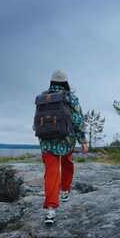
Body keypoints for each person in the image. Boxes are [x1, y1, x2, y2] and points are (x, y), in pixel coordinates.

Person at [35, 70, 88, 226]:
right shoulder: (71, 98)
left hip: (46, 140)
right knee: (67, 162)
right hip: (66, 139)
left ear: (51, 82)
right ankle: (65, 190)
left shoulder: (43, 97)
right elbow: (78, 120)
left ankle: (50, 210)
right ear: (65, 82)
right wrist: (83, 140)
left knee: (51, 173)